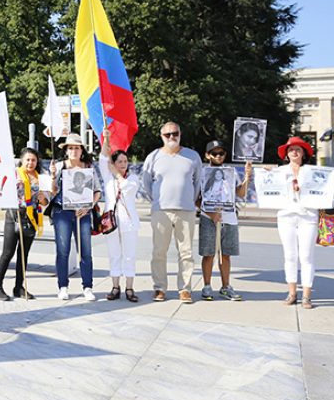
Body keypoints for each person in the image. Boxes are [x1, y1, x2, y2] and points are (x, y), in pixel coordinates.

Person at [271, 137, 334, 309]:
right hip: (286, 216)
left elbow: (324, 188)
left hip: (308, 216)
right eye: (291, 149)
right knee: (289, 255)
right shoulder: (279, 172)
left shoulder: (312, 171)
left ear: (304, 153)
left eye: (298, 149)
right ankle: (292, 292)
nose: (294, 152)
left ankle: (307, 296)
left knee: (306, 256)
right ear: (286, 154)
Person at [141, 122, 202, 303]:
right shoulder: (153, 157)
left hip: (186, 211)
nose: (171, 137)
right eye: (167, 135)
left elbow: (197, 182)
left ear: (180, 133)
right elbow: (146, 183)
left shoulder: (192, 156)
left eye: (174, 133)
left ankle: (185, 289)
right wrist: (158, 200)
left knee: (186, 252)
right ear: (161, 136)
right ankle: (159, 288)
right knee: (159, 251)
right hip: (162, 211)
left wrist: (190, 199)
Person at [48, 133, 101, 301]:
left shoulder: (88, 168)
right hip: (62, 212)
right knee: (62, 250)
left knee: (85, 250)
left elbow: (97, 191)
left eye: (76, 148)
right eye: (70, 148)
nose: (73, 151)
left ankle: (87, 286)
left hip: (82, 212)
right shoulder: (59, 167)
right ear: (66, 151)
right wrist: (51, 176)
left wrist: (88, 206)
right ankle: (63, 286)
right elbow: (52, 192)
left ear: (81, 150)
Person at [198, 140, 251, 302]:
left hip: (229, 218)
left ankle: (225, 286)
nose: (218, 156)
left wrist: (247, 176)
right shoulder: (202, 173)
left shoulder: (231, 172)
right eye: (214, 153)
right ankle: (207, 285)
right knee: (209, 254)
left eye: (221, 153)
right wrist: (211, 214)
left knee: (226, 254)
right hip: (209, 218)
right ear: (208, 155)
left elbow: (240, 193)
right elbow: (196, 199)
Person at [0, 148, 48, 301]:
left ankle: (19, 287)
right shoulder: (14, 174)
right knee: (7, 253)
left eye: (33, 160)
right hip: (14, 216)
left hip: (31, 218)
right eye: (28, 160)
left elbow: (45, 202)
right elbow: (2, 190)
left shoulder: (40, 178)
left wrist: (43, 197)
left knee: (23, 255)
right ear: (22, 161)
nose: (30, 163)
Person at [97, 130, 140, 302]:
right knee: (114, 254)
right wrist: (106, 139)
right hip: (111, 222)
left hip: (129, 223)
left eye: (125, 161)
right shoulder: (108, 178)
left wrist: (116, 173)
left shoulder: (133, 178)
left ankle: (130, 287)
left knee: (129, 255)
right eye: (119, 161)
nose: (123, 164)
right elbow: (102, 158)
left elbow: (126, 187)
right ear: (113, 163)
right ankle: (115, 286)